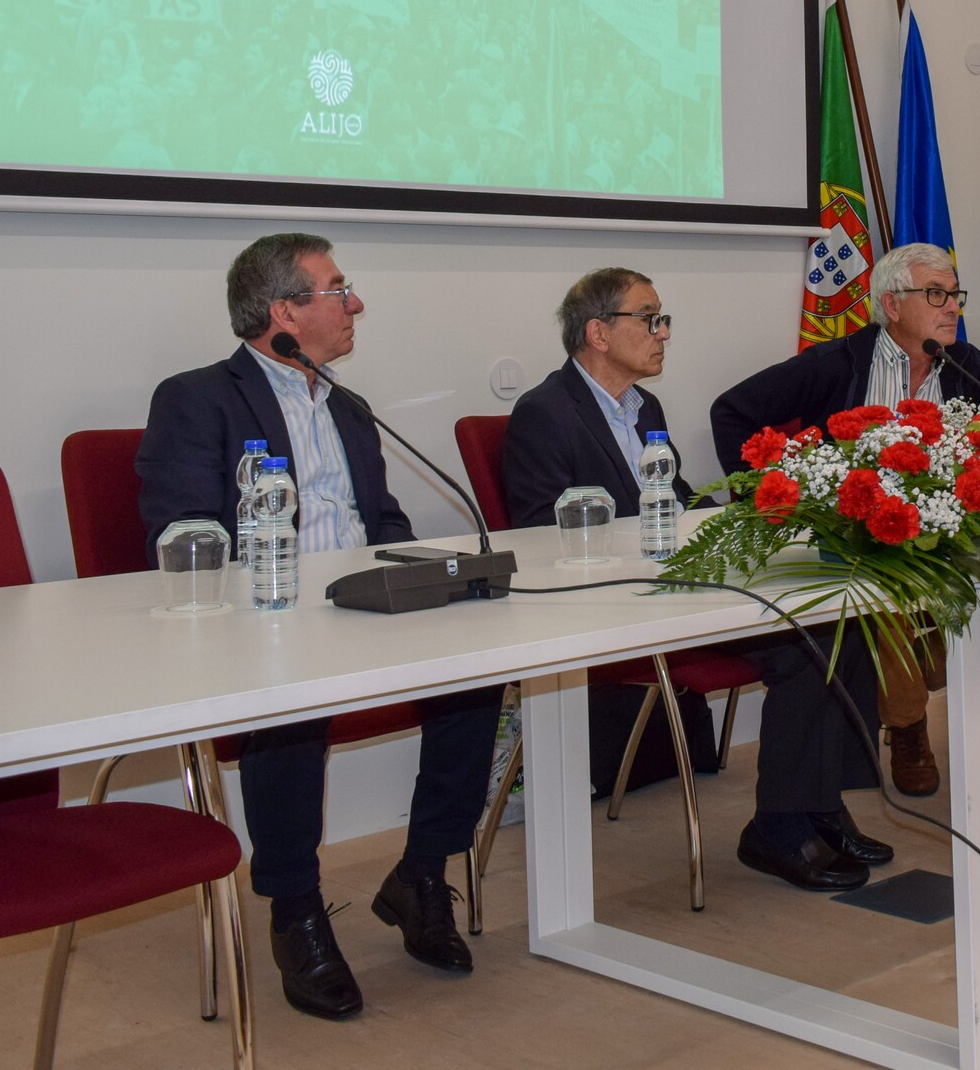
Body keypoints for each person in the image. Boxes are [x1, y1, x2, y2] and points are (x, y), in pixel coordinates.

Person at [137, 233, 505, 1020]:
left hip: (361, 607)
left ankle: (421, 872)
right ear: (284, 312)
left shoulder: (350, 406)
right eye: (339, 289)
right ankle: (295, 909)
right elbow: (184, 529)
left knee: (476, 676)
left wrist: (427, 576)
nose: (356, 303)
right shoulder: (198, 397)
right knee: (289, 707)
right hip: (265, 621)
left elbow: (383, 521)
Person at [503, 267, 892, 893]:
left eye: (663, 319)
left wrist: (744, 520)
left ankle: (820, 807)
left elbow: (675, 501)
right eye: (649, 318)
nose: (663, 334)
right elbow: (536, 532)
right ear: (598, 332)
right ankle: (778, 827)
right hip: (616, 602)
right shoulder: (544, 413)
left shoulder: (643, 406)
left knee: (837, 616)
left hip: (683, 585)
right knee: (802, 647)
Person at [709, 242, 980, 796]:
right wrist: (763, 499)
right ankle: (910, 724)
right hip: (857, 539)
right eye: (935, 294)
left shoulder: (966, 365)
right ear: (891, 305)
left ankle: (910, 690)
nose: (951, 307)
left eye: (955, 294)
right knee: (879, 603)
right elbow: (732, 410)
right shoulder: (838, 361)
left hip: (944, 532)